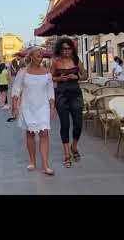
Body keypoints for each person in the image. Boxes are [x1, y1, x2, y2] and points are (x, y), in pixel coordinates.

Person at [12, 47, 56, 176]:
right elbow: (16, 90)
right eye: (38, 55)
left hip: (43, 107)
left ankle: (45, 165)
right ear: (31, 56)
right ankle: (32, 161)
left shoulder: (47, 73)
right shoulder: (23, 72)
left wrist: (52, 106)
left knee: (44, 134)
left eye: (41, 55)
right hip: (28, 106)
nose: (40, 58)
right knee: (30, 134)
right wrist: (14, 106)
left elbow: (50, 91)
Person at [51, 37, 88, 168]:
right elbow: (50, 78)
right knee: (65, 125)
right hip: (61, 95)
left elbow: (85, 76)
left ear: (72, 49)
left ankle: (74, 146)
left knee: (78, 123)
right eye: (63, 49)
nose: (66, 51)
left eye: (68, 48)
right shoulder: (55, 63)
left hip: (75, 94)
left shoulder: (76, 61)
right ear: (59, 50)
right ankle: (67, 154)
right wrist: (59, 78)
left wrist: (76, 76)